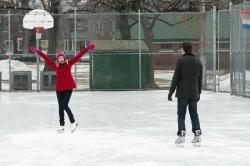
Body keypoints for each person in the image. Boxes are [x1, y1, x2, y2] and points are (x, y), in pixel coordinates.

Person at [30, 43, 95, 133]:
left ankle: (73, 122)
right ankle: (62, 126)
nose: (60, 59)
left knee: (65, 105)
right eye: (59, 58)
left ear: (64, 57)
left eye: (62, 57)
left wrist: (86, 49)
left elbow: (78, 56)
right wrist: (38, 52)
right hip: (59, 89)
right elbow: (46, 58)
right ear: (57, 59)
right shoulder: (55, 66)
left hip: (68, 87)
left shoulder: (69, 63)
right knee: (60, 107)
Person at [168, 42, 203, 145]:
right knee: (194, 114)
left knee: (181, 115)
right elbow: (199, 80)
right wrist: (198, 93)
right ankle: (197, 134)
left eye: (181, 48)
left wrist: (171, 92)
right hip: (194, 93)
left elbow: (176, 78)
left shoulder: (181, 62)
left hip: (182, 94)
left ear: (183, 49)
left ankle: (181, 135)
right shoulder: (198, 62)